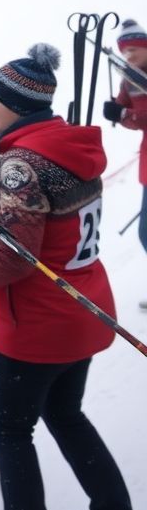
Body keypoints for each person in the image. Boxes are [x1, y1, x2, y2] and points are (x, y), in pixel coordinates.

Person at [0, 44, 142, 510]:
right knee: (65, 414)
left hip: (39, 326)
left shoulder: (20, 165)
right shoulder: (67, 145)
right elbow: (37, 233)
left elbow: (17, 257)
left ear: (16, 103)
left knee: (13, 433)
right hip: (83, 311)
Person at [101, 18, 147, 309]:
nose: (128, 55)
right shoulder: (129, 79)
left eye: (134, 49)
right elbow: (128, 113)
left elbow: (137, 117)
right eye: (124, 50)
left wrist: (122, 116)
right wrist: (116, 112)